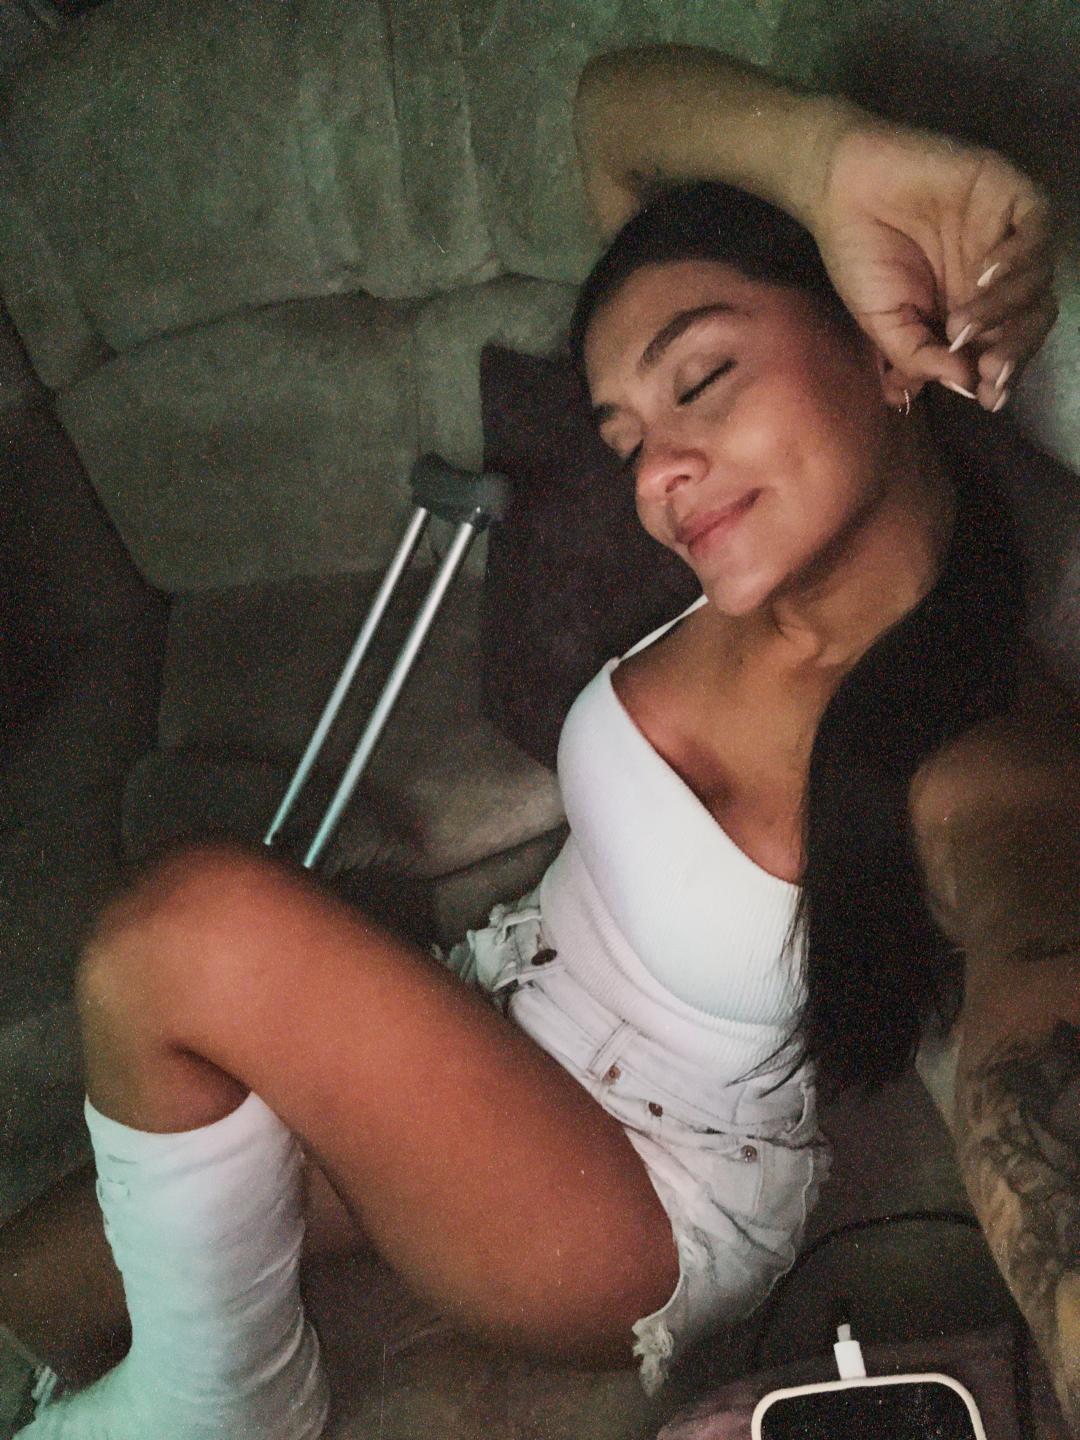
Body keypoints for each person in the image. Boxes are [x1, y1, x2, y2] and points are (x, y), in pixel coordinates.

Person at [2, 42, 1077, 1440]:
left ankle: (232, 1408)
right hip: (499, 1018)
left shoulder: (985, 753)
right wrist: (831, 164)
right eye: (626, 437)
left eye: (704, 378)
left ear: (887, 349)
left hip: (637, 1201)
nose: (659, 474)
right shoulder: (747, 566)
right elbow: (610, 111)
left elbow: (1041, 983)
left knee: (186, 926)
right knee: (37, 1285)